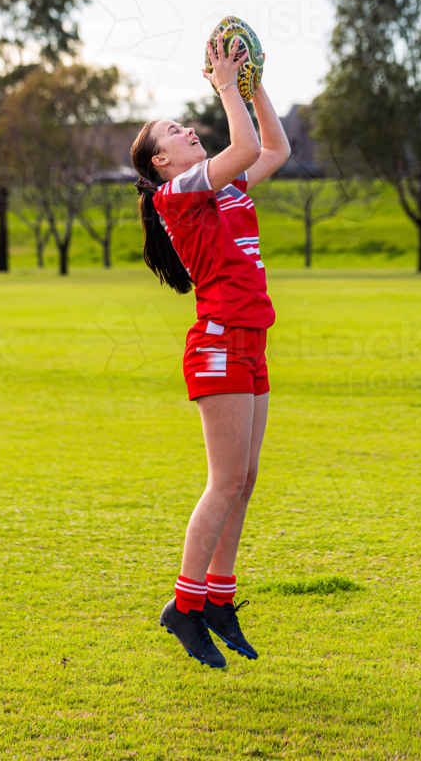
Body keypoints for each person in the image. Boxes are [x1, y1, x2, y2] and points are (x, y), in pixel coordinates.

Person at [130, 35, 290, 667]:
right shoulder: (180, 194)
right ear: (161, 164)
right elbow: (247, 145)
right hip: (220, 342)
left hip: (251, 340)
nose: (188, 130)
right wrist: (226, 83)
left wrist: (251, 86)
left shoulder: (223, 187)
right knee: (224, 482)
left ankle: (218, 598)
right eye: (174, 131)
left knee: (244, 481)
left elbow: (273, 148)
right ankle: (185, 606)